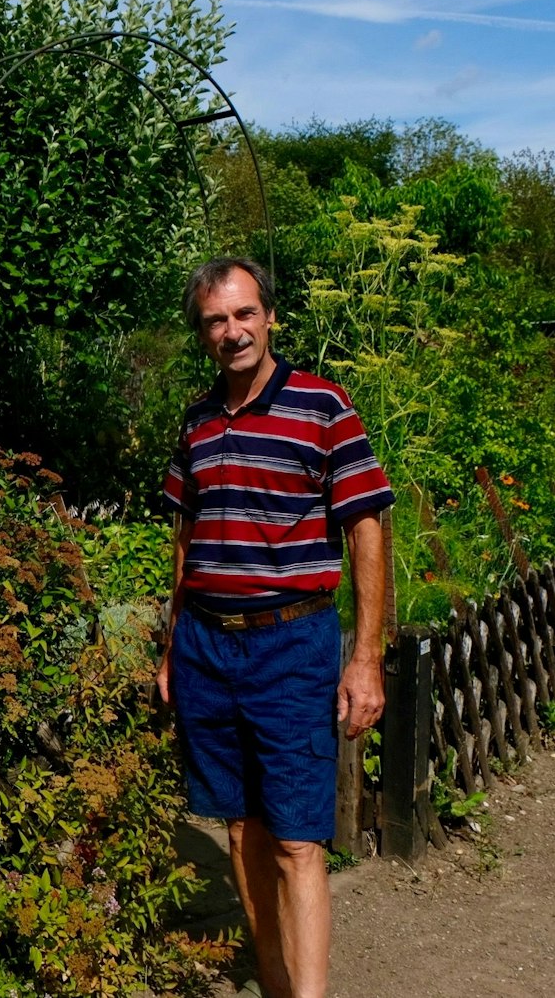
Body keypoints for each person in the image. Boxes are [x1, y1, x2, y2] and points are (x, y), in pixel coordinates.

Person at [156, 256, 392, 998]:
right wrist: (171, 645)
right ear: (203, 334)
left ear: (270, 317)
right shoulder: (195, 420)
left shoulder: (323, 406)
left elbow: (366, 528)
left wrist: (366, 658)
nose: (233, 332)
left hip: (292, 644)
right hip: (205, 644)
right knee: (240, 830)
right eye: (216, 321)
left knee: (296, 839)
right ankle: (275, 984)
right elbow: (186, 539)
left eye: (244, 314)